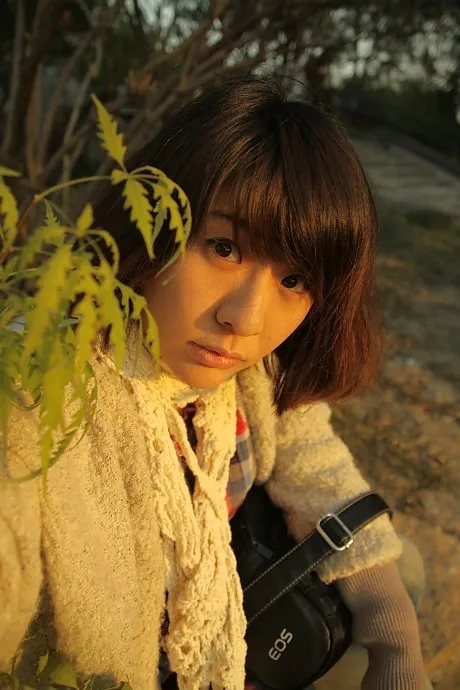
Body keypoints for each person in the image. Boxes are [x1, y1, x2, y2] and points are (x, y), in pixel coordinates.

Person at [1, 76, 428, 690]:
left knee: (406, 571)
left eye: (294, 281)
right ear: (152, 223)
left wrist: (395, 640)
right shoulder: (47, 379)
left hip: (229, 643)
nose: (245, 320)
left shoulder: (253, 376)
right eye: (224, 247)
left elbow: (315, 462)